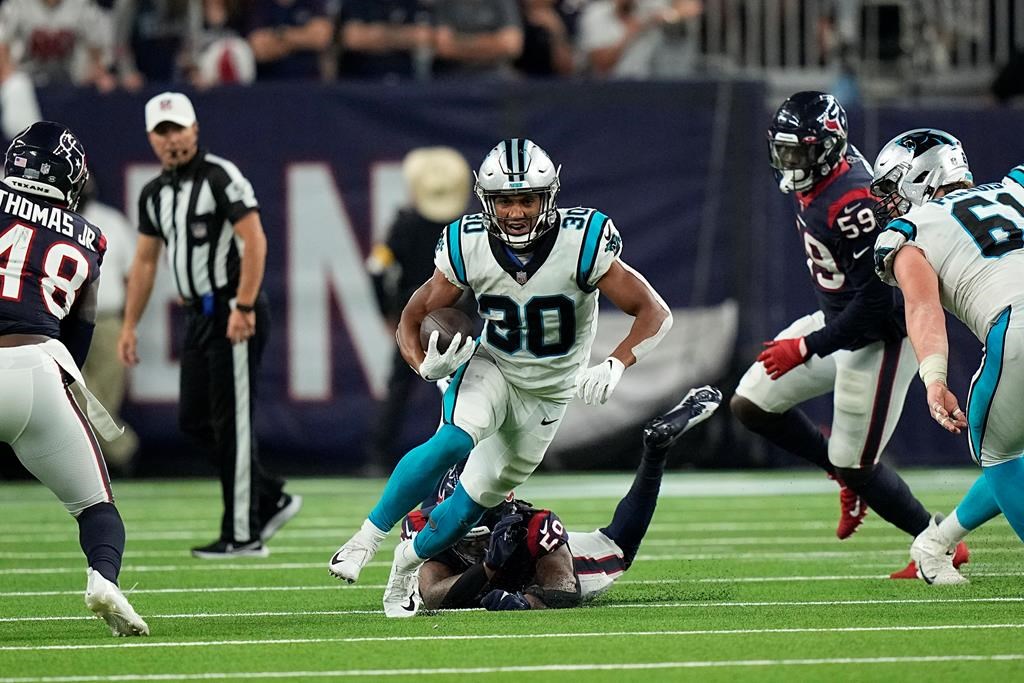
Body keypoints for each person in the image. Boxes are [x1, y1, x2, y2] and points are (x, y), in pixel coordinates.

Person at [328, 138, 674, 617]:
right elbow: (414, 314)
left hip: (549, 395)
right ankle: (365, 538)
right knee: (453, 441)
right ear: (486, 201)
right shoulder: (467, 243)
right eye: (505, 200)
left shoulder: (583, 240)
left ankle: (406, 565)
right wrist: (422, 365)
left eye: (526, 199)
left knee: (471, 506)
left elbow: (653, 312)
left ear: (547, 197)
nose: (515, 212)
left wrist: (617, 361)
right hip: (494, 367)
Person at [730, 92, 967, 575]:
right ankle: (845, 477)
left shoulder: (853, 202)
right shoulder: (827, 174)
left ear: (829, 148)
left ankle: (942, 544)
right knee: (751, 402)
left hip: (878, 337)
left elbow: (875, 304)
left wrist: (806, 346)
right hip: (839, 318)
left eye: (799, 152)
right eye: (784, 151)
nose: (789, 163)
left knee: (857, 463)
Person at [118, 92, 300, 558]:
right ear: (150, 139)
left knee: (232, 422)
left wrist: (243, 306)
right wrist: (129, 324)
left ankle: (243, 533)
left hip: (230, 308)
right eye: (162, 132)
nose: (172, 139)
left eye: (178, 128)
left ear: (195, 130)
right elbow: (143, 262)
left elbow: (254, 241)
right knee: (195, 422)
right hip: (197, 315)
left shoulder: (220, 176)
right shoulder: (155, 193)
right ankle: (270, 496)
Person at [0, 121, 148, 636]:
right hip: (38, 366)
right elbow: (78, 330)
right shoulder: (90, 237)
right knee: (97, 508)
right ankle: (103, 579)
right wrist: (66, 386)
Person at [410, 386, 722, 611]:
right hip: (499, 561)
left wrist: (526, 602)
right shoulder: (425, 523)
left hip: (544, 564)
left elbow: (564, 590)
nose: (470, 545)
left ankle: (655, 451)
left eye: (477, 537)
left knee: (617, 546)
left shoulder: (534, 529)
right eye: (459, 532)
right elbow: (434, 596)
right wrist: (490, 567)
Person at [872, 129, 1024, 584]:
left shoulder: (910, 231)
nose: (889, 201)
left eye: (893, 185)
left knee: (999, 452)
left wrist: (934, 377)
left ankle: (934, 544)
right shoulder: (1017, 187)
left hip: (1017, 327)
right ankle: (936, 543)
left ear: (919, 176)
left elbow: (922, 306)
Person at [363, 146, 472, 476]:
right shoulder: (463, 228)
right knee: (471, 386)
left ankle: (380, 456)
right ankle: (472, 455)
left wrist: (387, 312)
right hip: (458, 315)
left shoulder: (405, 223)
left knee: (400, 385)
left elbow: (377, 269)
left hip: (413, 315)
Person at [79, 175, 140, 474]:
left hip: (106, 321)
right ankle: (122, 450)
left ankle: (92, 467)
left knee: (105, 399)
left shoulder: (111, 221)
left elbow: (133, 276)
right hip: (61, 321)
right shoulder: (49, 221)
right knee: (73, 394)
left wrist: (129, 323)